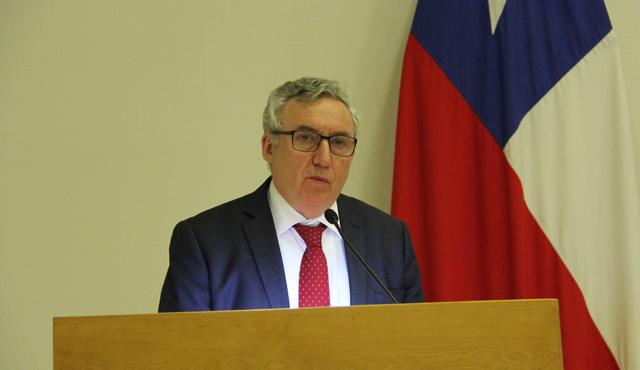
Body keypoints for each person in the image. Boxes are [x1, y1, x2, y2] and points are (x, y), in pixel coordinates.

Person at [159, 77, 423, 312]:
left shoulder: (388, 240)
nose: (324, 159)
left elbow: (416, 349)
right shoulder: (206, 243)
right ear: (268, 148)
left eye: (339, 142)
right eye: (306, 138)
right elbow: (180, 355)